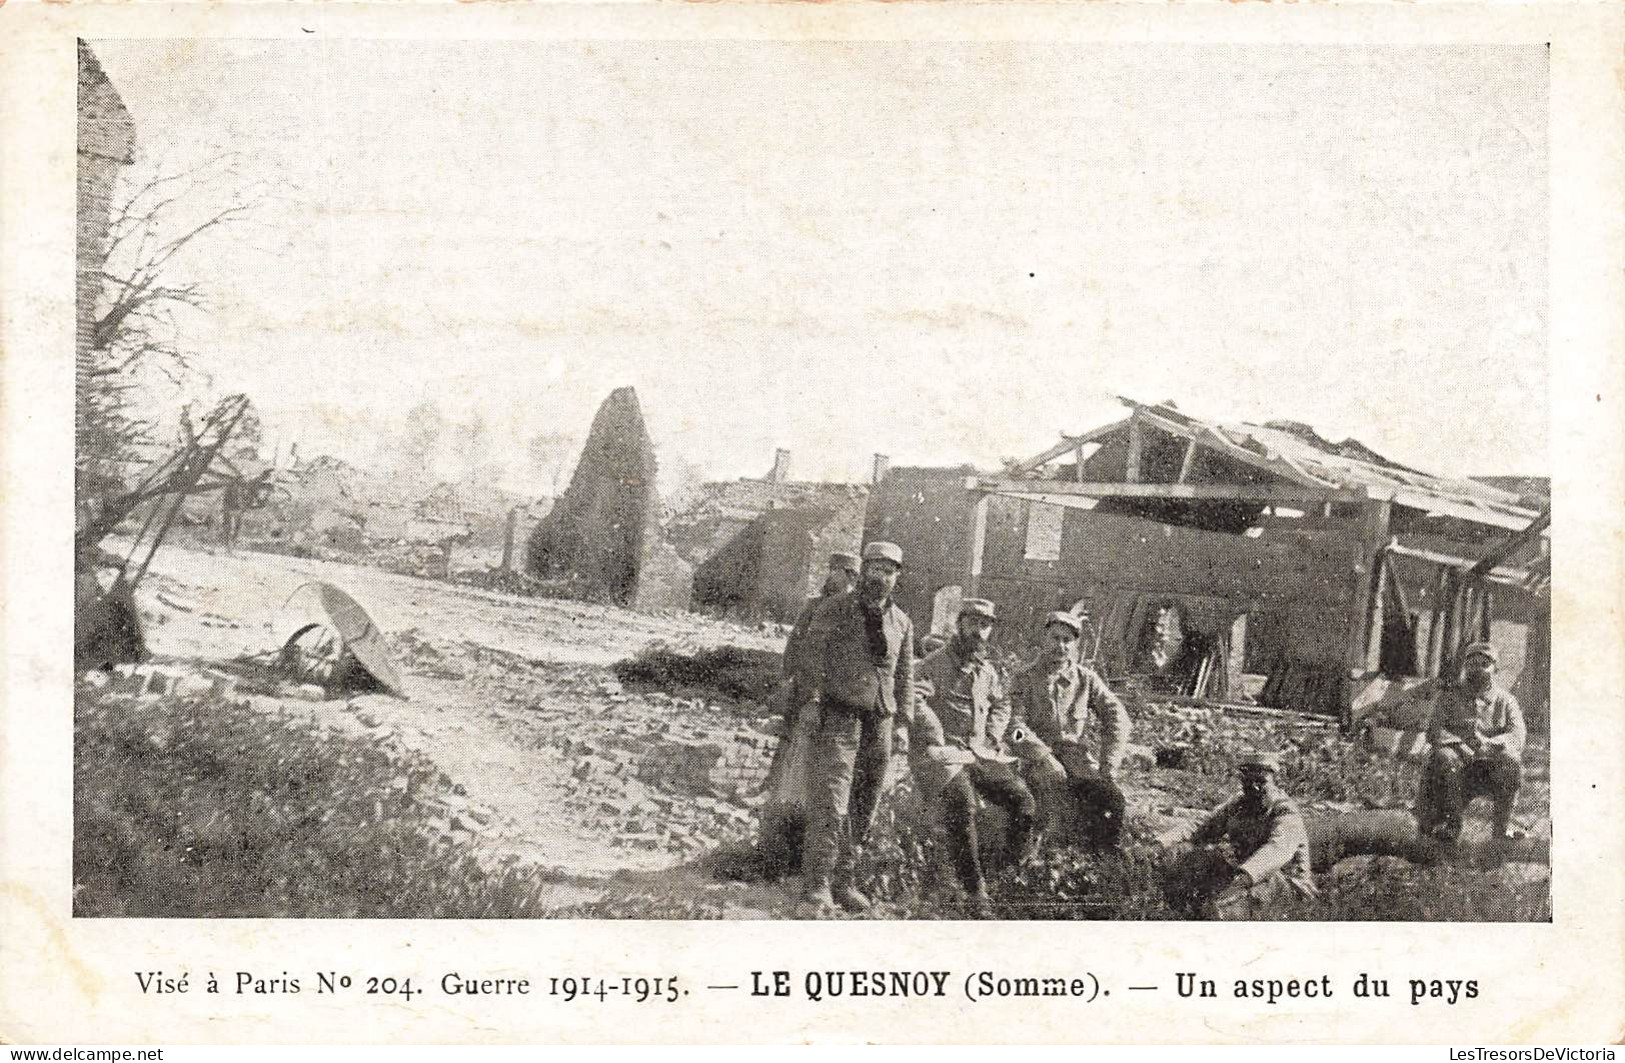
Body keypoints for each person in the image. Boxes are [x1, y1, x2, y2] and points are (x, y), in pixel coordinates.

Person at [796, 541, 916, 915]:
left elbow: (905, 676)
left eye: (889, 571)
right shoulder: (836, 610)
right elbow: (811, 658)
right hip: (840, 717)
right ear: (863, 570)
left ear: (897, 577)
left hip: (879, 723)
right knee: (832, 803)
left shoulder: (902, 621)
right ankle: (817, 887)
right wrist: (813, 701)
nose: (881, 577)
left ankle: (844, 881)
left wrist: (903, 723)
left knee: (865, 803)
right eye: (875, 568)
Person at [915, 598, 1038, 917]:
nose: (979, 632)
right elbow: (914, 699)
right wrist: (934, 733)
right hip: (945, 757)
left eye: (985, 626)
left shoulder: (988, 670)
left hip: (981, 754)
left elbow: (1002, 705)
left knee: (1023, 801)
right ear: (959, 624)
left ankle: (1005, 875)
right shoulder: (934, 664)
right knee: (962, 804)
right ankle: (975, 891)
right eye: (973, 624)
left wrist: (994, 735)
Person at [755, 551, 863, 875]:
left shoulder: (859, 614)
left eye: (837, 571)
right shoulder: (814, 607)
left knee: (825, 785)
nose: (831, 576)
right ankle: (775, 852)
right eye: (830, 570)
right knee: (791, 773)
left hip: (840, 707)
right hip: (806, 702)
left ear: (851, 577)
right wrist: (791, 686)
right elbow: (795, 649)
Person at [1008, 611, 1132, 851]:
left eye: (1067, 640)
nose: (1060, 646)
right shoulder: (1024, 678)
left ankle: (1099, 865)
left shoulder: (1086, 680)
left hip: (1077, 761)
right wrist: (1042, 755)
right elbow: (1014, 729)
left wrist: (1108, 766)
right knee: (1033, 808)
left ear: (1075, 644)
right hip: (1034, 761)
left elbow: (1118, 718)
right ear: (1043, 638)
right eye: (1055, 638)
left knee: (1111, 799)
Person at [1161, 752, 1315, 920]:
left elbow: (1276, 851)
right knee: (1192, 862)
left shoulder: (1284, 810)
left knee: (1223, 911)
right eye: (1248, 782)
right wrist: (1160, 843)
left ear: (1273, 781)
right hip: (1245, 876)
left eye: (1261, 782)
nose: (1255, 787)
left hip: (1285, 882)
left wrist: (1243, 879)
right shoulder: (1239, 805)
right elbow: (1202, 827)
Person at [1416, 641, 1527, 844]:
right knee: (1444, 757)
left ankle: (1501, 831)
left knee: (1512, 763)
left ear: (1496, 668)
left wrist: (1491, 745)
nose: (1477, 669)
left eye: (1484, 664)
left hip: (1490, 769)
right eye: (1472, 663)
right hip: (1456, 767)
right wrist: (1460, 745)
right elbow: (1434, 730)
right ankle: (1451, 825)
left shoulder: (1506, 701)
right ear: (1465, 667)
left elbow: (1517, 735)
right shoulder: (1449, 697)